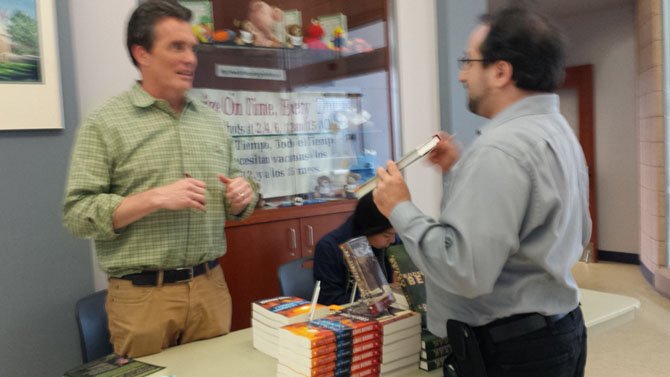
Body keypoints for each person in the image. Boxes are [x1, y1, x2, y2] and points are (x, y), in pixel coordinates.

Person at [373, 6, 590, 377]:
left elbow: (463, 271)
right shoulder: (554, 129)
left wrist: (400, 208)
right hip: (555, 333)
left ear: (501, 72)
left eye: (468, 62)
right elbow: (537, 225)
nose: (461, 75)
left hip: (511, 351)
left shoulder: (501, 149)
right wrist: (458, 169)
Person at [63, 0, 257, 358]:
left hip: (210, 290)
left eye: (193, 48)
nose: (191, 59)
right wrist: (153, 199)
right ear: (142, 54)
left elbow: (236, 197)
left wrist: (244, 195)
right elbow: (78, 214)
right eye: (176, 47)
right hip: (142, 299)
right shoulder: (104, 123)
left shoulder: (212, 122)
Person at [313, 192, 397, 305]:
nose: (393, 240)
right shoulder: (329, 247)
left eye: (395, 234)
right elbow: (329, 300)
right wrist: (376, 295)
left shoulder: (389, 241)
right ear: (368, 229)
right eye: (386, 235)